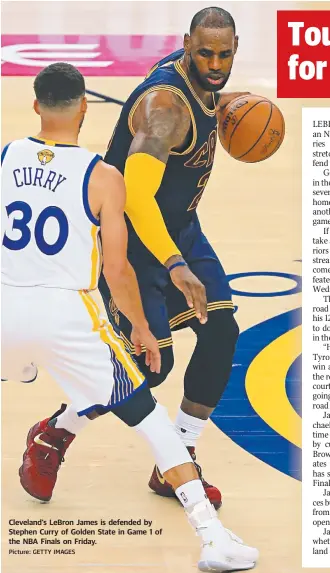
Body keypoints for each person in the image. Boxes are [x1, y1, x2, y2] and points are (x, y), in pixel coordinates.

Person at [1, 61, 258, 573]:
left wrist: (222, 101)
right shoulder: (103, 176)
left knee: (215, 331)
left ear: (34, 105)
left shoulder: (6, 157)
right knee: (146, 398)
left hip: (9, 305)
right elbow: (117, 269)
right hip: (68, 314)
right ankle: (212, 538)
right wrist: (141, 324)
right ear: (84, 107)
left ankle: (48, 415)